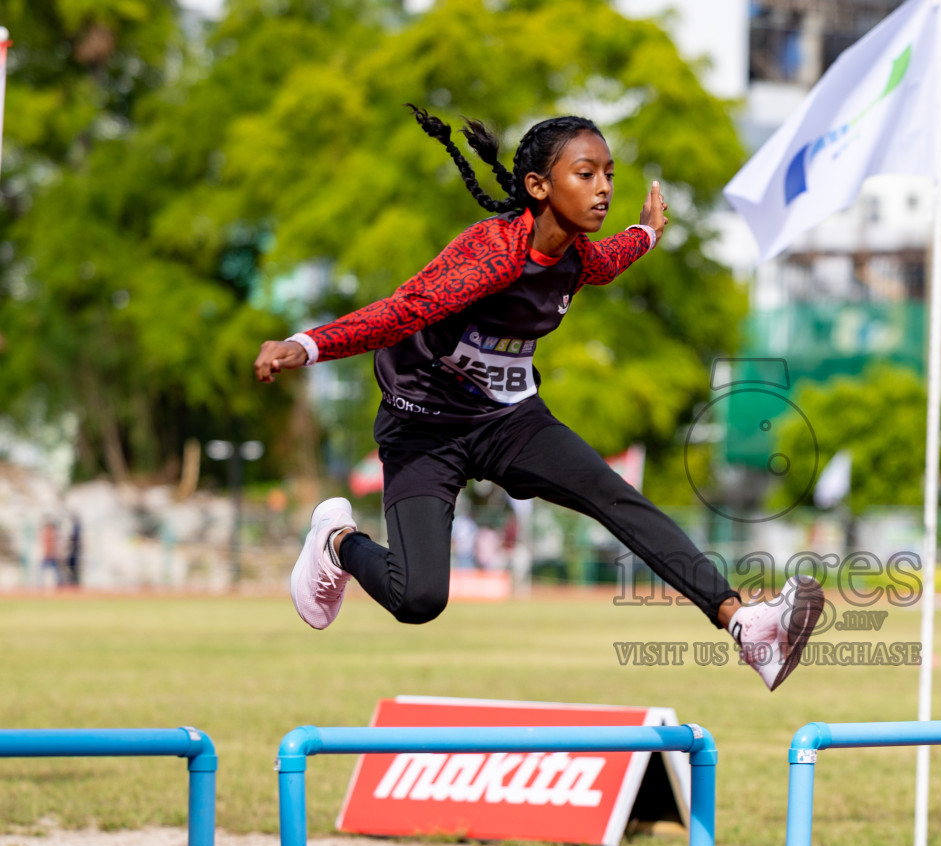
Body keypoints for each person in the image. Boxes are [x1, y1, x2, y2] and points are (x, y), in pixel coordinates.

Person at [253, 108, 823, 691]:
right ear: (538, 186)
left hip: (508, 420)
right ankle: (338, 541)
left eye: (609, 174)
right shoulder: (494, 256)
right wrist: (307, 344)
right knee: (418, 598)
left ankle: (744, 625)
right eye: (585, 173)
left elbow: (608, 261)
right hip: (424, 425)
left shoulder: (575, 257)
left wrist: (648, 231)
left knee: (613, 495)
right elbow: (404, 311)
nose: (603, 187)